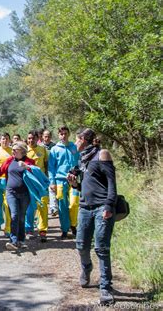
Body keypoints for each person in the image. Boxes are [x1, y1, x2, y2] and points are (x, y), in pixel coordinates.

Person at [67, 128, 117, 305]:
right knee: (81, 245)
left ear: (83, 139)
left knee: (102, 248)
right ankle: (86, 268)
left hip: (102, 207)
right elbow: (85, 186)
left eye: (77, 140)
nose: (75, 143)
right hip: (85, 208)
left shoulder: (101, 154)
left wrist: (109, 205)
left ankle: (105, 288)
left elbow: (111, 182)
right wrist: (74, 184)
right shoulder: (83, 158)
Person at [0, 141, 36, 250]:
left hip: (25, 194)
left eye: (15, 150)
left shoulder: (29, 161)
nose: (12, 151)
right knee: (14, 215)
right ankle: (13, 240)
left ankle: (21, 240)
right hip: (11, 192)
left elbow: (35, 173)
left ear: (22, 151)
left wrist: (26, 167)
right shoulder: (9, 161)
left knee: (21, 217)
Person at [48, 126, 80, 239]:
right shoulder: (54, 149)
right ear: (58, 135)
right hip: (60, 180)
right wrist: (52, 182)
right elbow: (51, 167)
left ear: (69, 134)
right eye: (61, 134)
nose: (63, 136)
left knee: (74, 204)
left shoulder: (74, 147)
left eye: (65, 133)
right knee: (62, 206)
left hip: (74, 180)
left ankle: (73, 225)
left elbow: (79, 163)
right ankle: (65, 229)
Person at [25, 130, 49, 242]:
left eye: (32, 138)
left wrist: (48, 180)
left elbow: (46, 165)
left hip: (41, 183)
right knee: (30, 206)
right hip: (29, 183)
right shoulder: (24, 150)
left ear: (37, 138)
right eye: (29, 138)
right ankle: (29, 229)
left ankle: (42, 230)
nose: (30, 140)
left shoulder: (42, 149)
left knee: (43, 206)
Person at [41, 130, 58, 217]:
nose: (47, 138)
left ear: (51, 137)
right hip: (43, 172)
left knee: (52, 189)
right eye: (45, 136)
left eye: (48, 136)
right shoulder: (40, 147)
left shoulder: (55, 146)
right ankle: (44, 208)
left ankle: (53, 208)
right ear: (42, 137)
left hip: (53, 171)